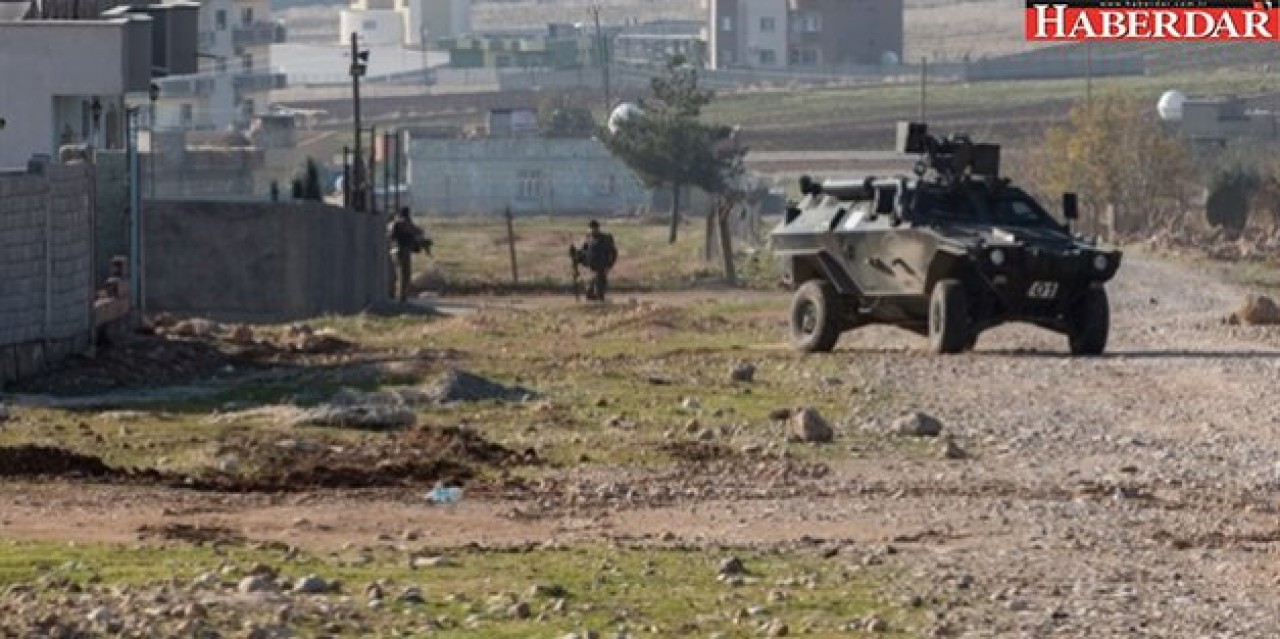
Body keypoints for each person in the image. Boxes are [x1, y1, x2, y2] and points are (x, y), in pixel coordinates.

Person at [387, 207, 428, 303]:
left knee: (396, 274)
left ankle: (393, 294)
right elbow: (417, 231)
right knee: (404, 274)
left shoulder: (392, 223)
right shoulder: (403, 223)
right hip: (403, 251)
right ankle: (402, 297)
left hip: (394, 251)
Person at [574, 219, 617, 302]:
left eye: (594, 228)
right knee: (589, 294)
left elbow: (613, 253)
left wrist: (609, 266)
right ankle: (595, 306)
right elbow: (583, 252)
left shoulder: (605, 239)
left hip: (601, 269)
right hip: (590, 269)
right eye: (590, 228)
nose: (592, 230)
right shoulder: (588, 239)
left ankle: (601, 306)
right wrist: (577, 256)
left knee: (599, 293)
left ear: (598, 228)